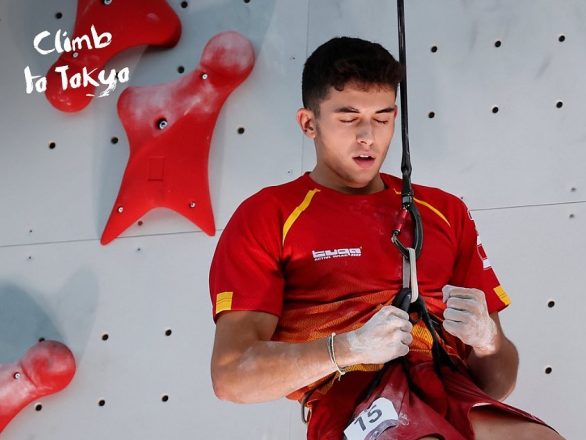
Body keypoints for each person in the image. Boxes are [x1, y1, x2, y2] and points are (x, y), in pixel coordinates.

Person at [209, 36, 563, 440]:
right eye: (349, 117)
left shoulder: (444, 211)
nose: (368, 136)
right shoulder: (269, 214)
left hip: (447, 387)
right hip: (347, 400)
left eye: (382, 117)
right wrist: (347, 349)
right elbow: (231, 375)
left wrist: (488, 342)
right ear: (309, 123)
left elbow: (496, 382)